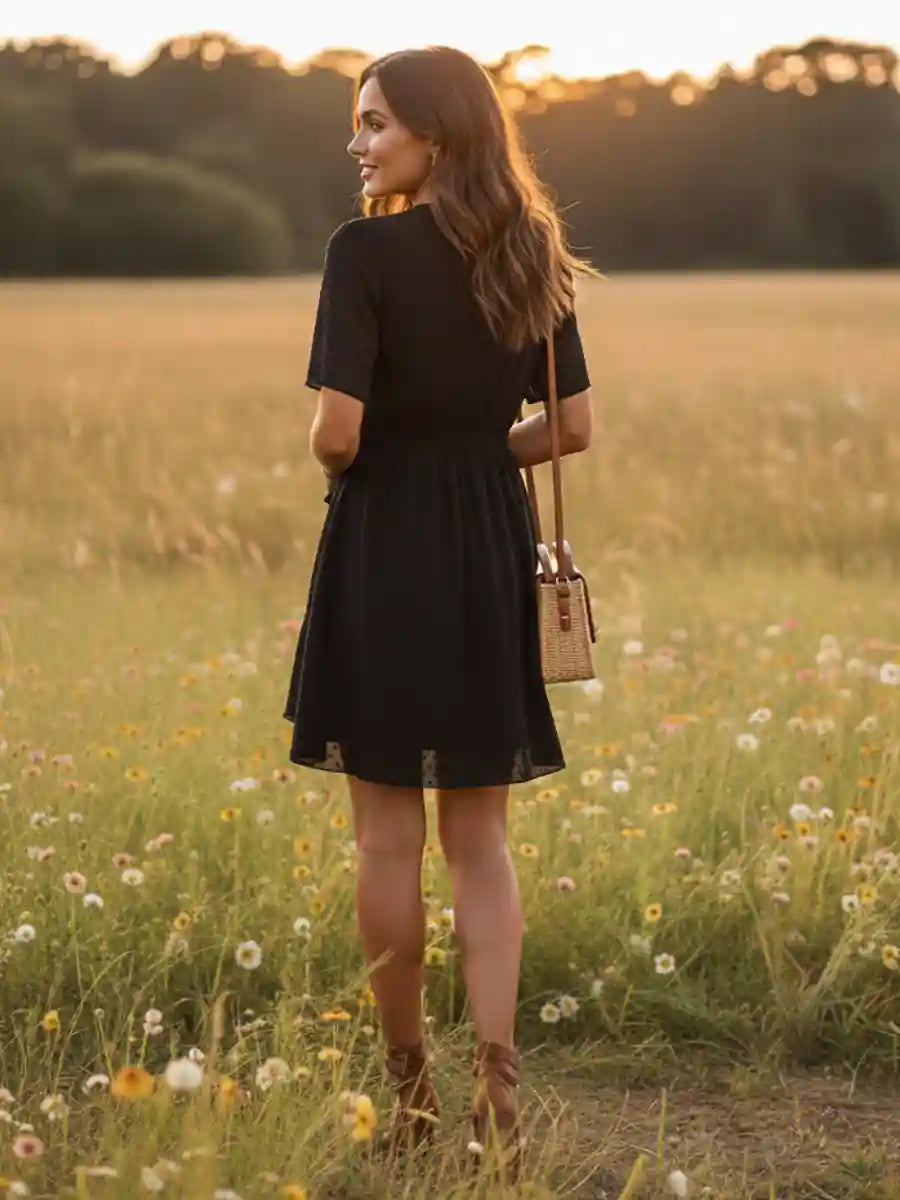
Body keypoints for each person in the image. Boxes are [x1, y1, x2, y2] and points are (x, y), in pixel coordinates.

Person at [282, 44, 600, 1176]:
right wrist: (474, 455)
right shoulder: (532, 253)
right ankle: (498, 1085)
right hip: (485, 545)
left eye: (375, 123)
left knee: (385, 836)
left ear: (438, 133)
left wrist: (375, 457)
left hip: (383, 544)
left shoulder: (362, 251)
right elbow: (570, 428)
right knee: (481, 839)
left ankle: (411, 1088)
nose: (358, 143)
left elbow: (338, 435)